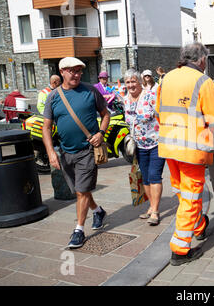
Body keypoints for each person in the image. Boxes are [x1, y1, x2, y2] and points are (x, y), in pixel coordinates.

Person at [156, 42, 214, 266]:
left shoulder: (166, 78)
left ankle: (198, 226)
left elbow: (159, 112)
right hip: (191, 150)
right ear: (202, 60)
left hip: (169, 146)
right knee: (191, 196)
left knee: (181, 191)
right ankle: (180, 248)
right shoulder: (203, 82)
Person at [42, 57, 110, 249]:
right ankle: (98, 211)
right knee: (82, 190)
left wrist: (101, 133)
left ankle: (79, 230)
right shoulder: (53, 97)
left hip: (87, 150)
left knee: (81, 191)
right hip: (65, 152)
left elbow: (106, 114)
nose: (77, 74)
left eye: (79, 71)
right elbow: (46, 128)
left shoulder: (91, 91)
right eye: (72, 71)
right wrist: (51, 152)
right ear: (62, 72)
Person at [123, 69, 165, 225]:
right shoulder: (126, 99)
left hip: (156, 142)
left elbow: (161, 113)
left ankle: (155, 211)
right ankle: (151, 206)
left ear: (140, 81)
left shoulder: (150, 95)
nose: (131, 85)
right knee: (146, 178)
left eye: (133, 81)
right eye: (128, 82)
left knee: (155, 176)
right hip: (139, 145)